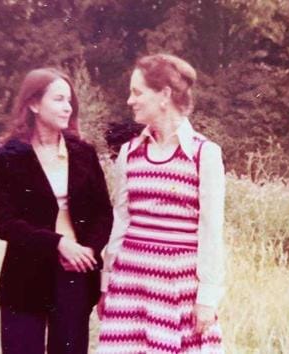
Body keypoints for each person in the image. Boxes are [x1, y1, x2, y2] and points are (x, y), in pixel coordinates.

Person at [96, 54, 226, 353]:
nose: (130, 101)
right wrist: (107, 284)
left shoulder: (203, 154)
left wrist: (207, 298)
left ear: (165, 94)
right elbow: (121, 223)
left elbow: (211, 232)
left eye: (138, 92)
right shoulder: (129, 153)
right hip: (131, 285)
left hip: (177, 288)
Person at [0, 67, 113, 354]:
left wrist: (88, 251)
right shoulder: (9, 156)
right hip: (24, 279)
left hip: (76, 275)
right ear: (33, 104)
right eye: (58, 99)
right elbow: (4, 223)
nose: (67, 107)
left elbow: (104, 213)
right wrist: (58, 244)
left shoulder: (84, 152)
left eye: (69, 100)